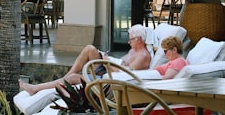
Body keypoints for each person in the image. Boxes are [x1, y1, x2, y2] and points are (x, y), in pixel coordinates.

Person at [19, 23, 152, 94]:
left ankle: (36, 89)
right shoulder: (133, 50)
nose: (129, 43)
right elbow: (122, 64)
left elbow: (125, 74)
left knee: (73, 79)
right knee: (89, 48)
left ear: (139, 39)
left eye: (131, 40)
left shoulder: (143, 56)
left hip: (110, 80)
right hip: (108, 70)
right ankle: (66, 76)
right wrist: (107, 59)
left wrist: (107, 62)